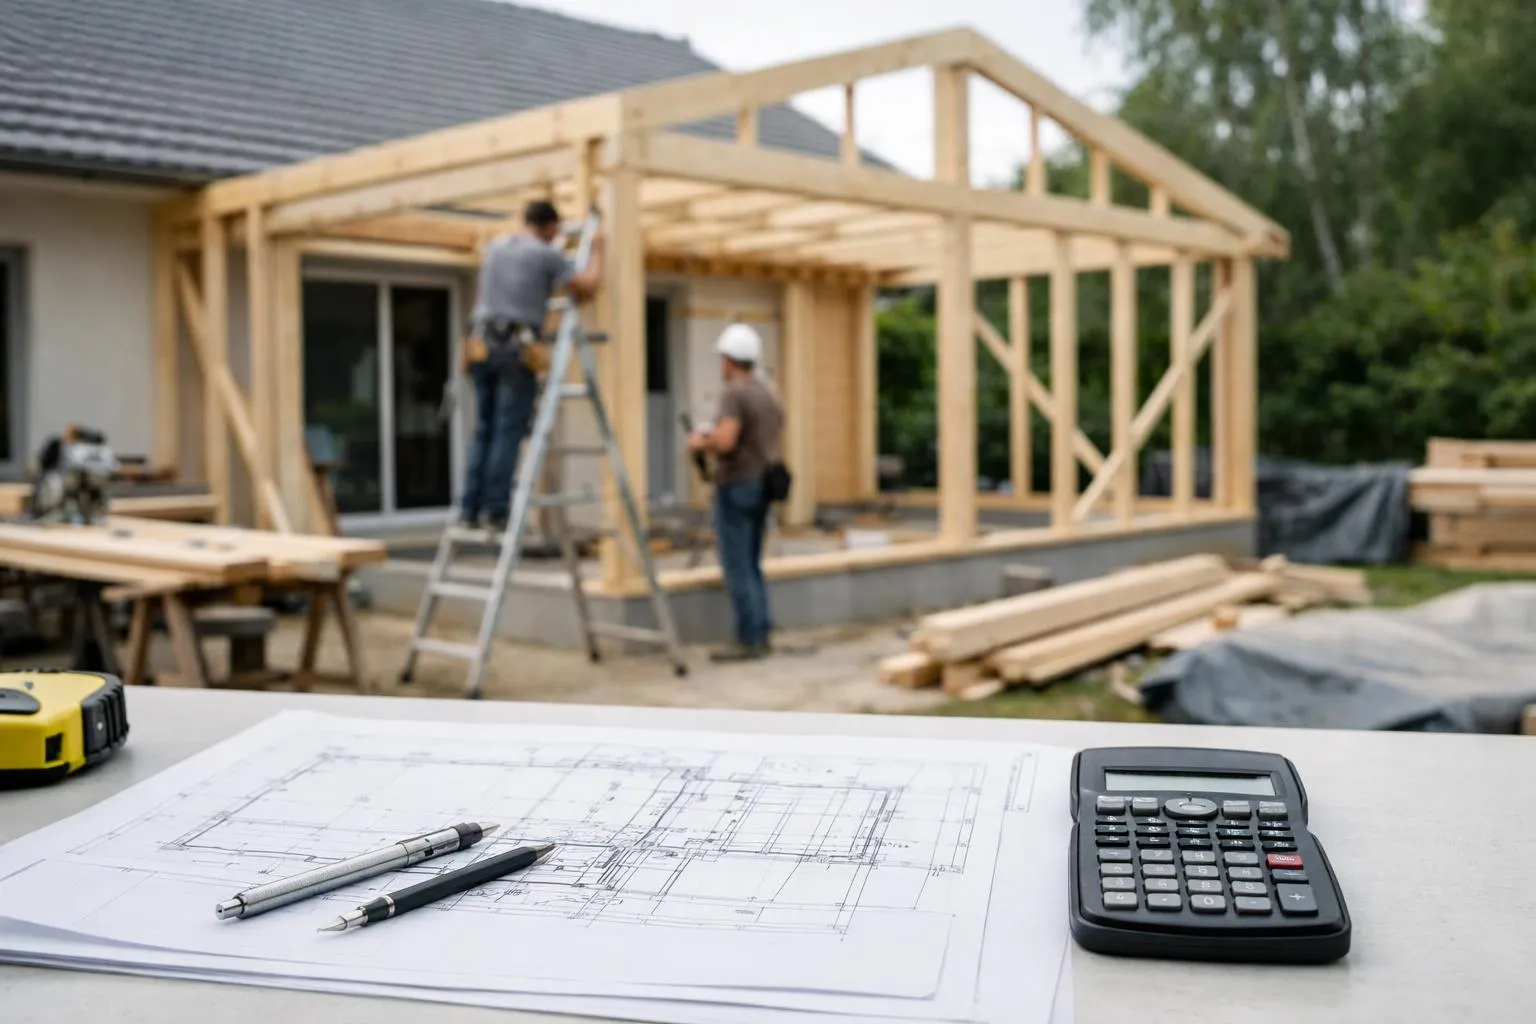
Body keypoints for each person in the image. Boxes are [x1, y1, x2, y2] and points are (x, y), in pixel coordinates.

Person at [458, 200, 603, 530]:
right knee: (507, 431)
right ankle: (496, 510)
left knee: (484, 429)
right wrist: (597, 251)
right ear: (550, 227)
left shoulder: (496, 246)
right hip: (514, 349)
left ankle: (469, 509)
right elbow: (586, 287)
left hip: (479, 346)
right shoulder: (546, 254)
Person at [687, 324, 784, 662]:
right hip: (761, 485)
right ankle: (762, 630)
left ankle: (748, 639)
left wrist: (701, 441)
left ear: (728, 359)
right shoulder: (767, 392)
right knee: (753, 563)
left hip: (737, 485)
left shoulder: (734, 393)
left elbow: (727, 441)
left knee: (737, 565)